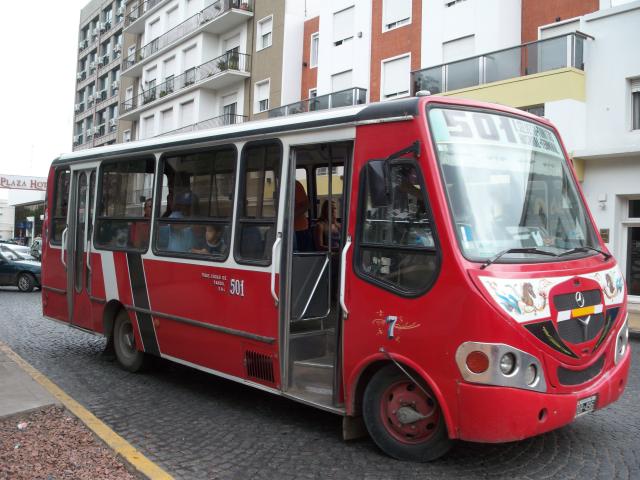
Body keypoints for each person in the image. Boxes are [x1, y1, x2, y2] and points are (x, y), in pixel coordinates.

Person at [294, 180, 312, 251]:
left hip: (300, 229)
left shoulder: (295, 184)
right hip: (285, 228)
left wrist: (289, 217)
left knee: (301, 256)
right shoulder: (278, 184)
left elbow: (306, 205)